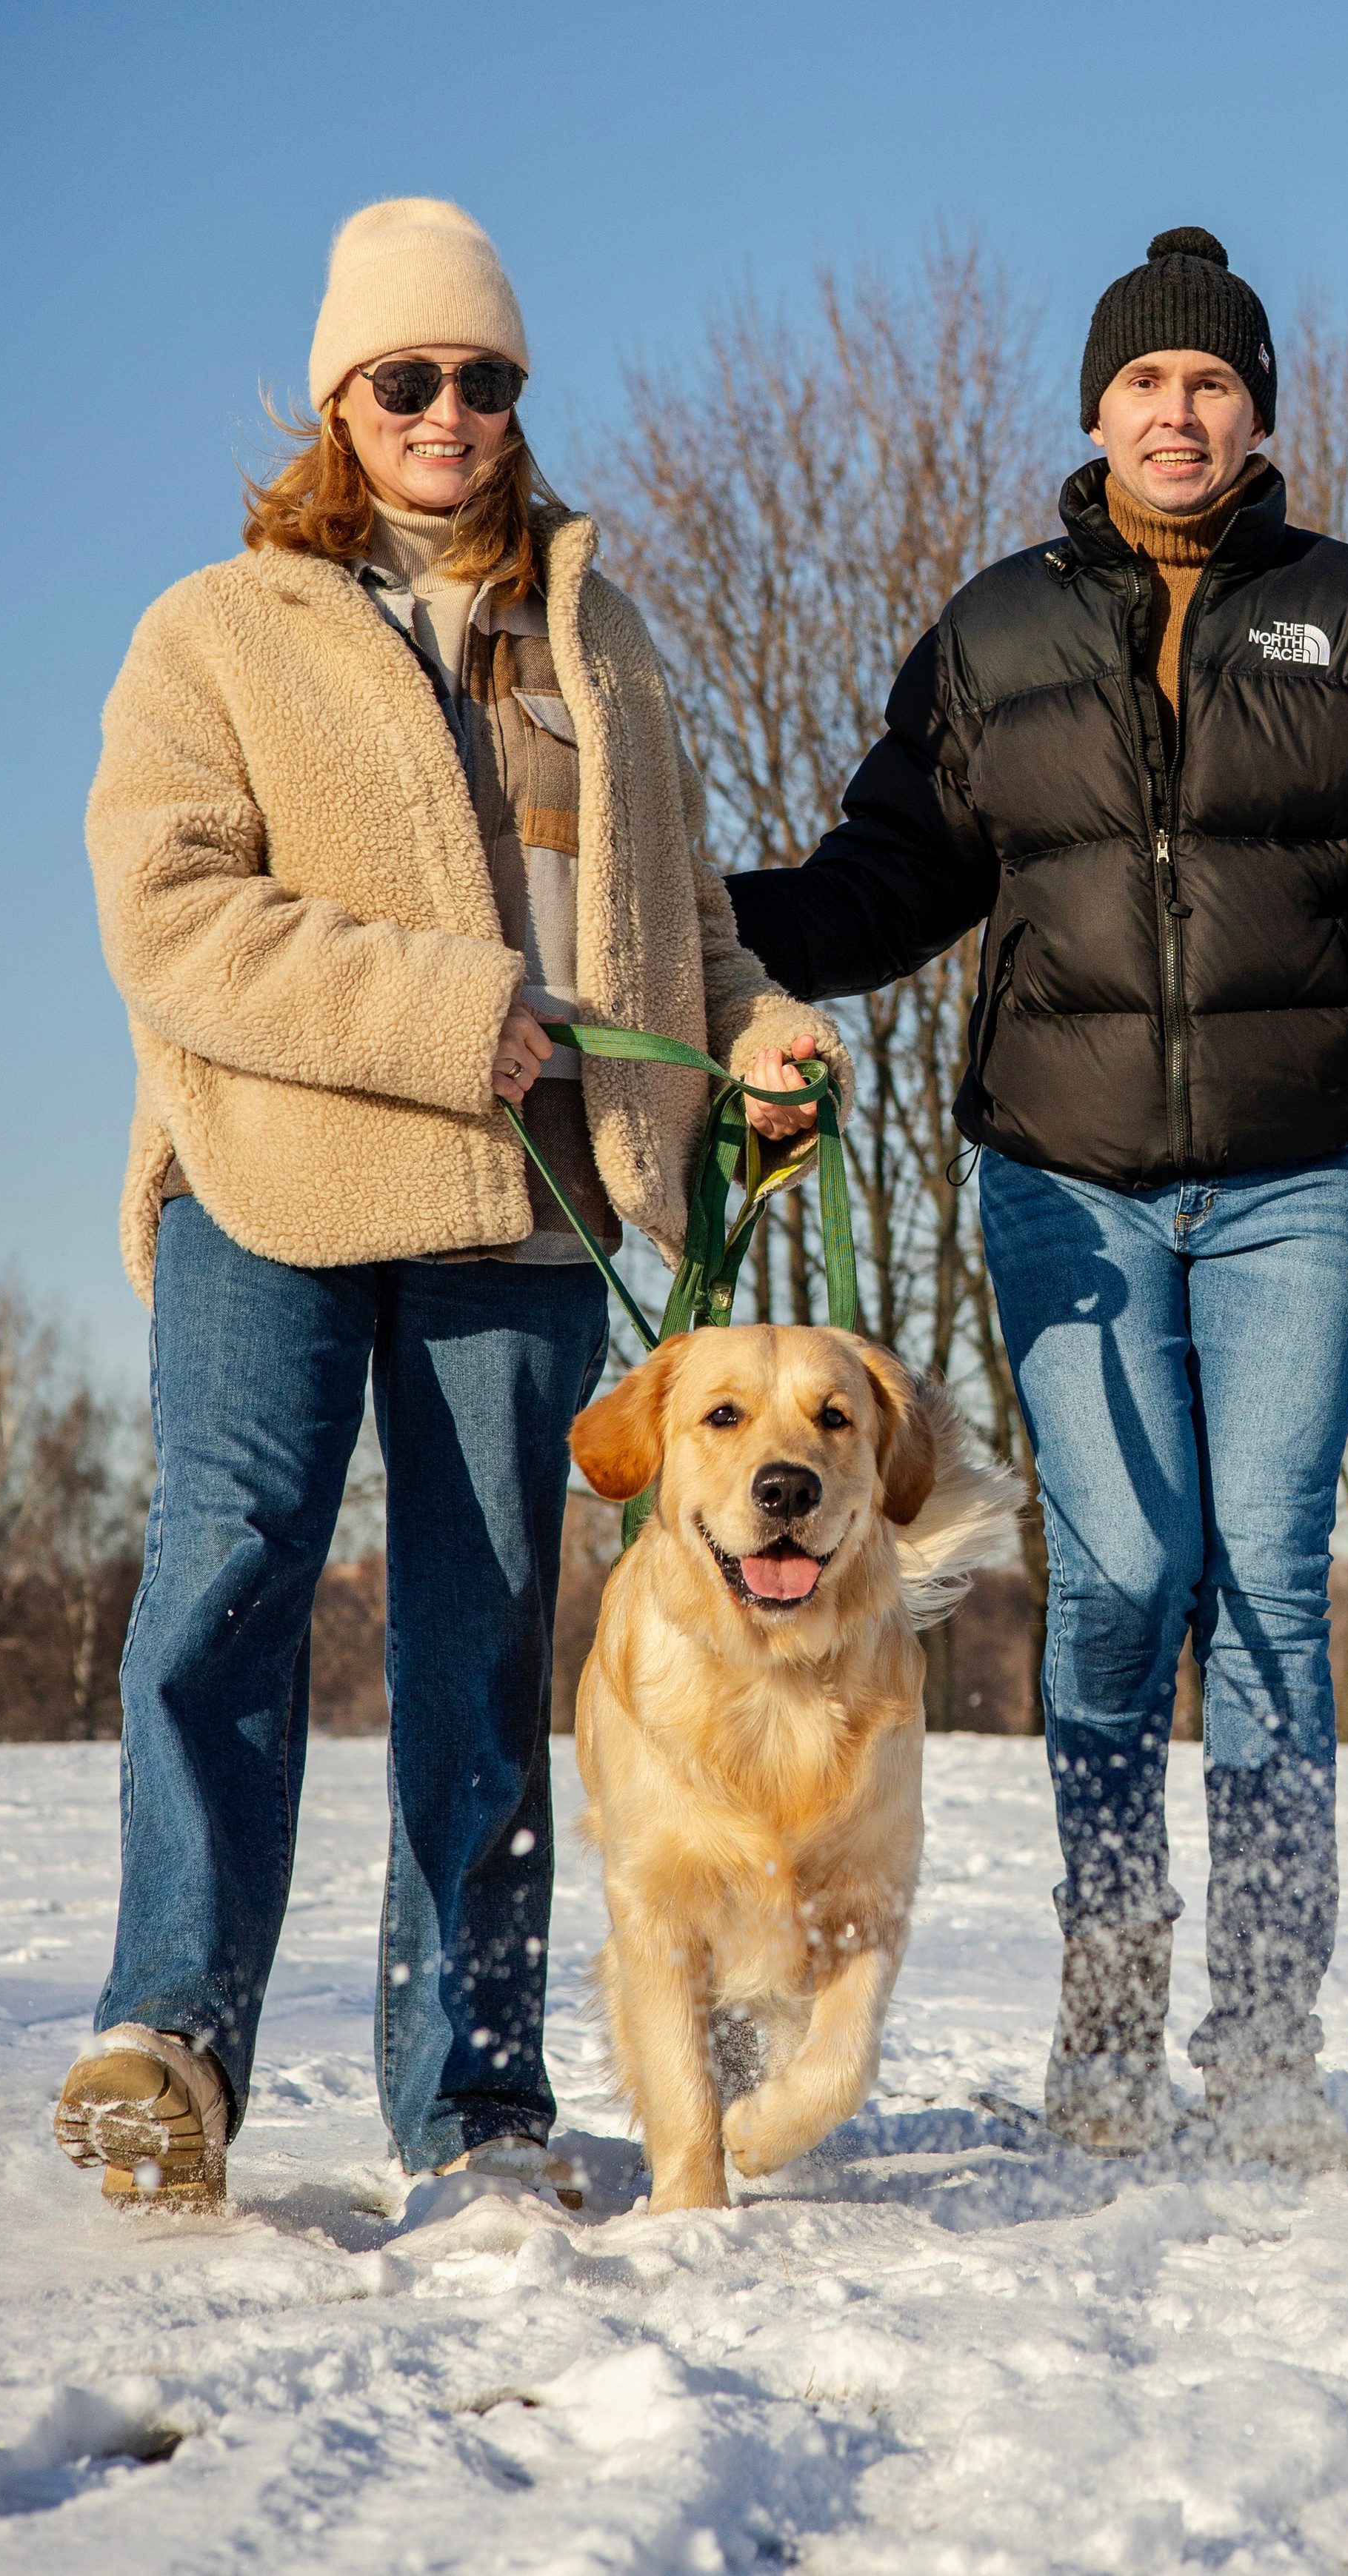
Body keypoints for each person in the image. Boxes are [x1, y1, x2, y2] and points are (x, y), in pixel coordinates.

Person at [727, 227, 1348, 2169]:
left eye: (1214, 382)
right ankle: (1105, 2030)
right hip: (1062, 1180)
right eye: (1145, 383)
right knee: (1115, 1576)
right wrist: (702, 937)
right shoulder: (996, 633)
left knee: (1263, 1579)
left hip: (1297, 1185)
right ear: (1093, 411)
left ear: (1258, 411)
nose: (1179, 413)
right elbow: (888, 873)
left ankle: (1261, 2047)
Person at [61, 197, 841, 2210]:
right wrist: (452, 1006)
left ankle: (480, 2109)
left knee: (486, 1646)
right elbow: (170, 917)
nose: (449, 413)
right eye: (407, 379)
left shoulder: (604, 631)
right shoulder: (216, 630)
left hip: (527, 1207)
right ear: (341, 399)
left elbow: (676, 922)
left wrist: (752, 1034)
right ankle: (170, 2042)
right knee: (228, 1585)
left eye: (484, 379)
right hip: (278, 1183)